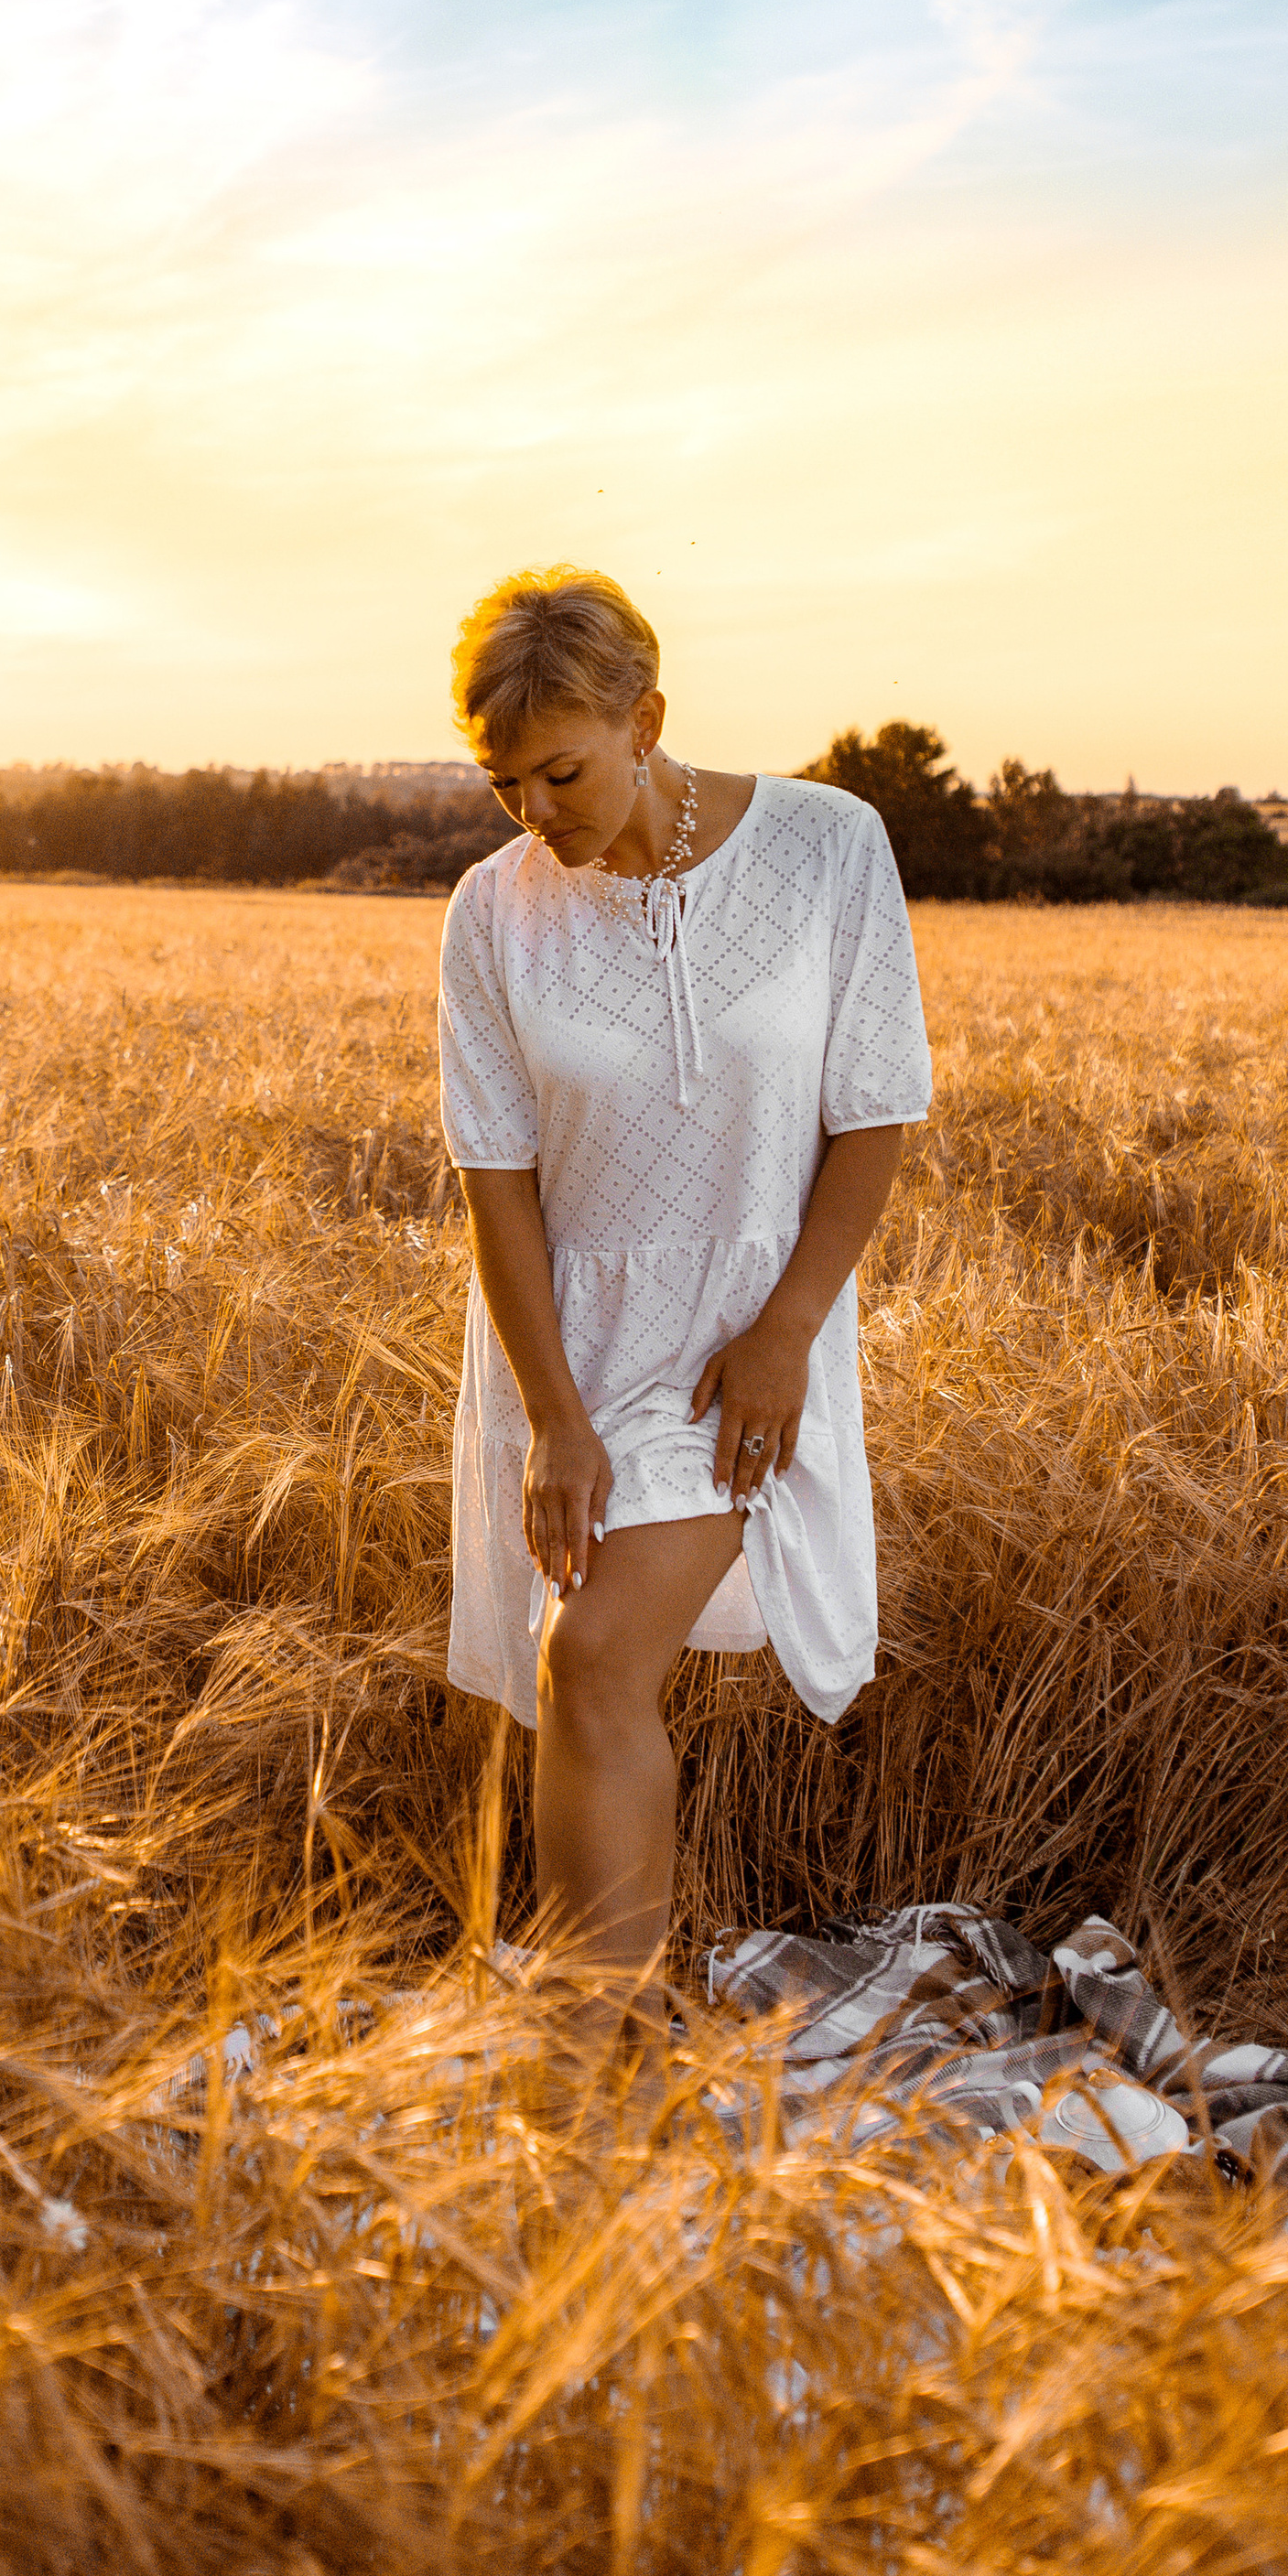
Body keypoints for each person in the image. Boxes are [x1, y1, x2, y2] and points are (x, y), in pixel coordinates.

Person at [436, 566, 932, 2017]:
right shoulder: (491, 914)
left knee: (592, 1655)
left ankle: (591, 2031)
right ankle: (606, 2030)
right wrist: (554, 1418)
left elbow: (876, 1109)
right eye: (503, 781)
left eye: (563, 769)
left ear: (647, 720)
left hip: (743, 1342)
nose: (537, 811)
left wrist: (786, 1333)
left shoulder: (831, 849)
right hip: (570, 1341)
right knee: (584, 1669)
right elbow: (497, 1176)